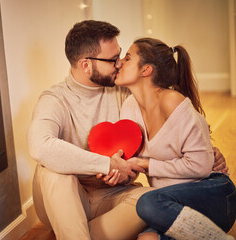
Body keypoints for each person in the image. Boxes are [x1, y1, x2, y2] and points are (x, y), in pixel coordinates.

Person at [27, 20, 228, 240]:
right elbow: (39, 146)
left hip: (111, 198)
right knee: (53, 169)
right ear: (86, 65)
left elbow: (166, 119)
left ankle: (78, 234)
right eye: (113, 60)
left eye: (121, 56)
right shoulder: (55, 100)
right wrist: (107, 164)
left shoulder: (125, 95)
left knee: (154, 198)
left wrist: (207, 153)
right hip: (63, 199)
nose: (119, 63)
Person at [116, 37, 236, 240]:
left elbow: (200, 166)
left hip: (212, 195)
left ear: (146, 70)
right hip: (171, 205)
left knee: (146, 202)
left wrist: (146, 164)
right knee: (146, 239)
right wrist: (120, 171)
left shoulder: (172, 101)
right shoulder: (129, 106)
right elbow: (134, 164)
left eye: (127, 58)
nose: (119, 62)